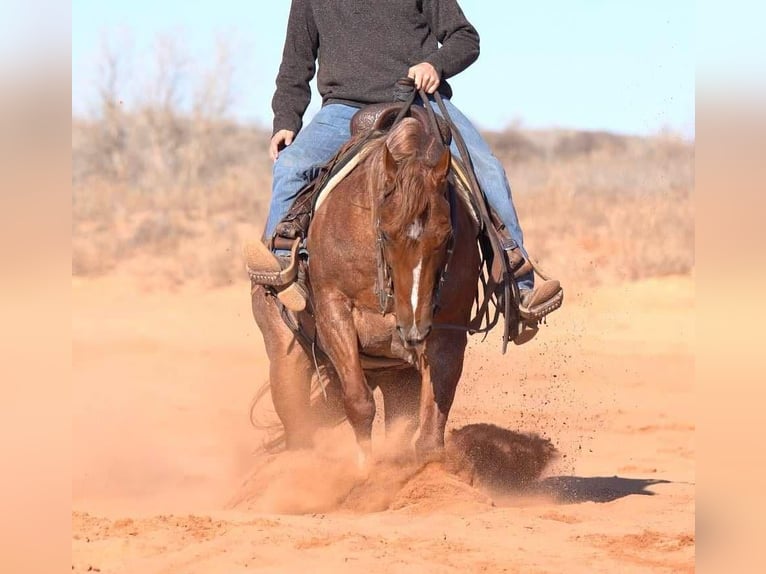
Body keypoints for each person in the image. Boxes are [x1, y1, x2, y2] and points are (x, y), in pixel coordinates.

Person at [250, 0, 562, 339]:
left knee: (488, 171)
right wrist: (285, 119)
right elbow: (296, 63)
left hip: (418, 102)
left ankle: (519, 287)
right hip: (342, 108)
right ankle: (282, 267)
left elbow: (465, 37)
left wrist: (435, 65)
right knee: (292, 166)